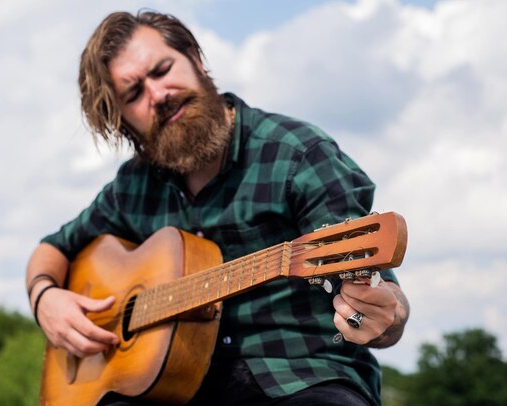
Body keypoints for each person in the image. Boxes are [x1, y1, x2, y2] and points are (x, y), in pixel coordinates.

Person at [26, 10, 410, 406]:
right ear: (122, 120)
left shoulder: (298, 155)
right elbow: (52, 249)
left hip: (300, 377)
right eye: (134, 94)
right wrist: (45, 299)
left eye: (161, 70)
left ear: (194, 58)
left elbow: (381, 303)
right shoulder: (132, 187)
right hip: (167, 389)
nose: (158, 95)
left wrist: (377, 318)